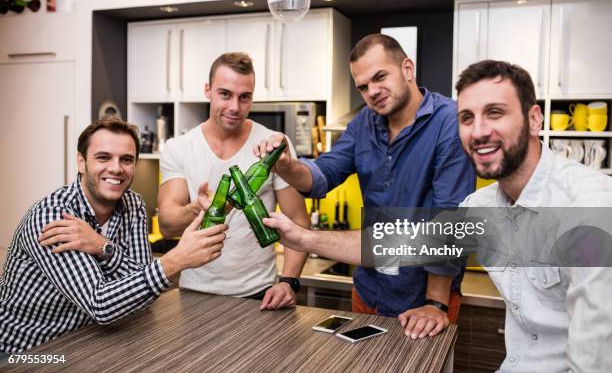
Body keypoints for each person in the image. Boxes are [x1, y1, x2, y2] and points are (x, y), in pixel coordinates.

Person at [264, 60, 612, 371]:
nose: (478, 131)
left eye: (495, 112)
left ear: (534, 119)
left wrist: (435, 302)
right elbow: (397, 245)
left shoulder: (589, 206)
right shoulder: (484, 206)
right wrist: (304, 238)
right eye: (467, 117)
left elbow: (595, 353)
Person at [256, 34, 476, 338]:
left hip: (422, 299)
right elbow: (322, 176)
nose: (372, 91)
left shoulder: (449, 123)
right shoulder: (363, 124)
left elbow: (450, 219)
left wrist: (435, 303)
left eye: (380, 77)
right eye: (363, 86)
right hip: (369, 291)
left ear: (408, 69)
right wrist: (286, 164)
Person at [0, 118, 227, 355]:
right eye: (103, 157)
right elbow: (100, 304)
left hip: (85, 342)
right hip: (24, 351)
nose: (116, 168)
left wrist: (103, 246)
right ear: (81, 162)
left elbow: (143, 297)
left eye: (126, 160)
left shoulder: (133, 204)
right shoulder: (52, 217)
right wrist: (176, 260)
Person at [157, 52, 309, 310]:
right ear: (208, 90)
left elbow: (298, 221)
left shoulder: (273, 146)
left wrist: (289, 281)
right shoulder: (178, 148)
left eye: (244, 97)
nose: (235, 107)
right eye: (225, 94)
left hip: (259, 294)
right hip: (194, 292)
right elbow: (167, 225)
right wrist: (199, 208)